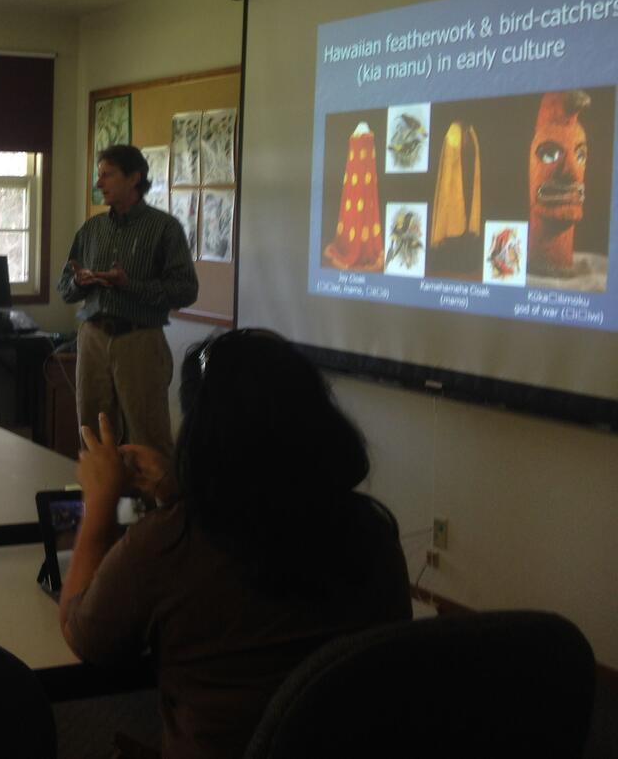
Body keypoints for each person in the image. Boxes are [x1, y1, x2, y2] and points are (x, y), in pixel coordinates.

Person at [59, 329, 412, 759]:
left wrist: (99, 502)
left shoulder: (168, 544)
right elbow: (261, 509)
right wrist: (178, 489)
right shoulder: (372, 534)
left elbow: (84, 634)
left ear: (201, 434)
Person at [57, 143, 198, 454]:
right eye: (99, 175)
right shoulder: (92, 229)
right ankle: (99, 501)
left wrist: (130, 286)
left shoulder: (164, 229)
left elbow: (186, 290)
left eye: (106, 175)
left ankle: (154, 503)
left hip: (140, 340)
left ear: (134, 178)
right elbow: (64, 287)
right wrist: (81, 282)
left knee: (148, 439)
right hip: (92, 337)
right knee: (92, 435)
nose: (98, 183)